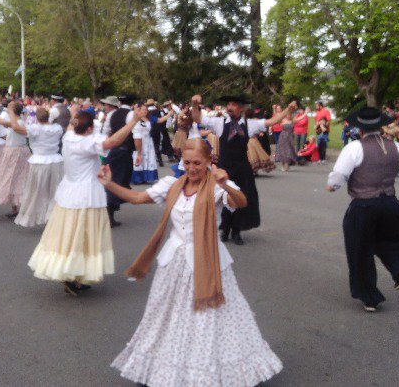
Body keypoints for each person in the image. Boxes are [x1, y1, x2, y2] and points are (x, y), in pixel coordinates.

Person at [100, 139, 283, 386]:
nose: (192, 168)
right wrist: (109, 183)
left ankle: (207, 371)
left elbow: (241, 202)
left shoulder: (218, 184)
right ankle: (165, 366)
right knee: (166, 315)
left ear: (209, 161)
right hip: (174, 261)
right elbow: (137, 198)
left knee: (209, 319)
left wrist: (225, 185)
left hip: (208, 260)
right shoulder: (172, 185)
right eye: (187, 162)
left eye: (197, 163)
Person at [28, 106, 148, 294]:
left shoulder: (69, 137)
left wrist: (74, 114)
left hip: (68, 193)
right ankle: (73, 275)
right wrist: (133, 122)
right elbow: (113, 141)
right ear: (90, 128)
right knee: (83, 236)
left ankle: (71, 273)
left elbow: (74, 128)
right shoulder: (87, 143)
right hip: (87, 195)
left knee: (68, 235)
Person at [327, 107, 399, 312]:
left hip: (363, 205)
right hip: (389, 202)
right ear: (381, 126)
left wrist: (332, 186)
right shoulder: (396, 147)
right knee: (393, 237)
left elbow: (338, 177)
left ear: (359, 128)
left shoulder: (354, 148)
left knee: (359, 249)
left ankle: (369, 297)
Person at [191, 95, 296, 245]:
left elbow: (272, 121)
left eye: (233, 104)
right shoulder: (219, 122)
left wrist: (288, 110)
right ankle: (224, 229)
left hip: (241, 168)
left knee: (241, 199)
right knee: (222, 198)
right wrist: (194, 105)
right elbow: (198, 118)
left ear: (241, 108)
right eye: (228, 104)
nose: (229, 107)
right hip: (224, 169)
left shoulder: (250, 124)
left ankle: (236, 231)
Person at [14, 108, 64, 228]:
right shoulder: (57, 128)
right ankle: (53, 216)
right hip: (55, 160)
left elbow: (15, 128)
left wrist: (11, 111)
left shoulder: (35, 128)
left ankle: (36, 215)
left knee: (36, 190)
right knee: (55, 190)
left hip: (39, 162)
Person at [0, 102, 31, 218]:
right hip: (13, 151)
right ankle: (15, 207)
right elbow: (2, 122)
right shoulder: (15, 122)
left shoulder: (18, 123)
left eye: (10, 109)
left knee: (15, 177)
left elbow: (10, 125)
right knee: (13, 178)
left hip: (17, 152)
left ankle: (19, 207)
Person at [101, 95, 137, 227]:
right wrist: (139, 152)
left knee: (114, 179)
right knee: (117, 181)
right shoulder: (131, 114)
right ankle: (109, 213)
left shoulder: (112, 115)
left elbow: (105, 133)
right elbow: (137, 133)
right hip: (124, 151)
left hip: (113, 150)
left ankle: (110, 211)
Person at [130, 106, 160, 184]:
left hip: (148, 141)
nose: (145, 111)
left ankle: (146, 177)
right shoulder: (136, 118)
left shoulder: (148, 118)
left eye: (146, 109)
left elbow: (160, 120)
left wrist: (169, 114)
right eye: (143, 109)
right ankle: (137, 178)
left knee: (148, 159)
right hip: (139, 140)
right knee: (138, 157)